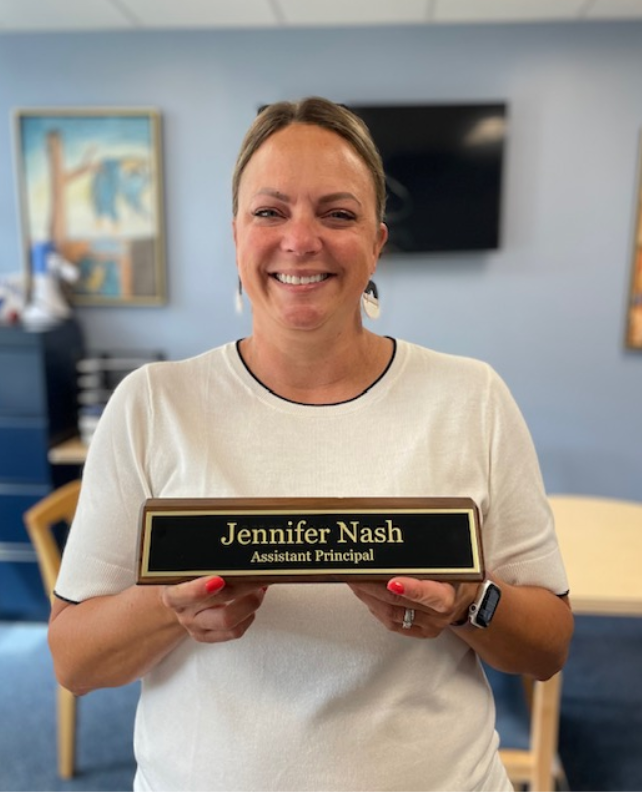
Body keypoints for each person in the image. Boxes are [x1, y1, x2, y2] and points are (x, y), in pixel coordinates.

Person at [49, 97, 574, 792]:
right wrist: (167, 609)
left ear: (378, 242)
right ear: (235, 234)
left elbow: (547, 645)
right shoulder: (152, 403)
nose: (301, 241)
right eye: (270, 212)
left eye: (337, 213)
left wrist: (469, 601)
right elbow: (75, 661)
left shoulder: (470, 397)